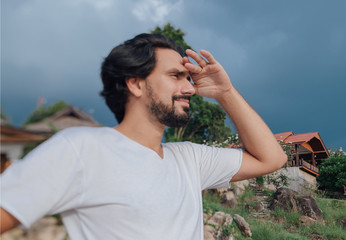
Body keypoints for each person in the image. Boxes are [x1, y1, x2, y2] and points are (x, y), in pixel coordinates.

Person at [0, 34, 287, 239]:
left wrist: (225, 93)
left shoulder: (190, 158)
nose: (190, 89)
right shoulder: (82, 148)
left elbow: (272, 158)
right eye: (176, 76)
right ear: (135, 84)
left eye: (188, 79)